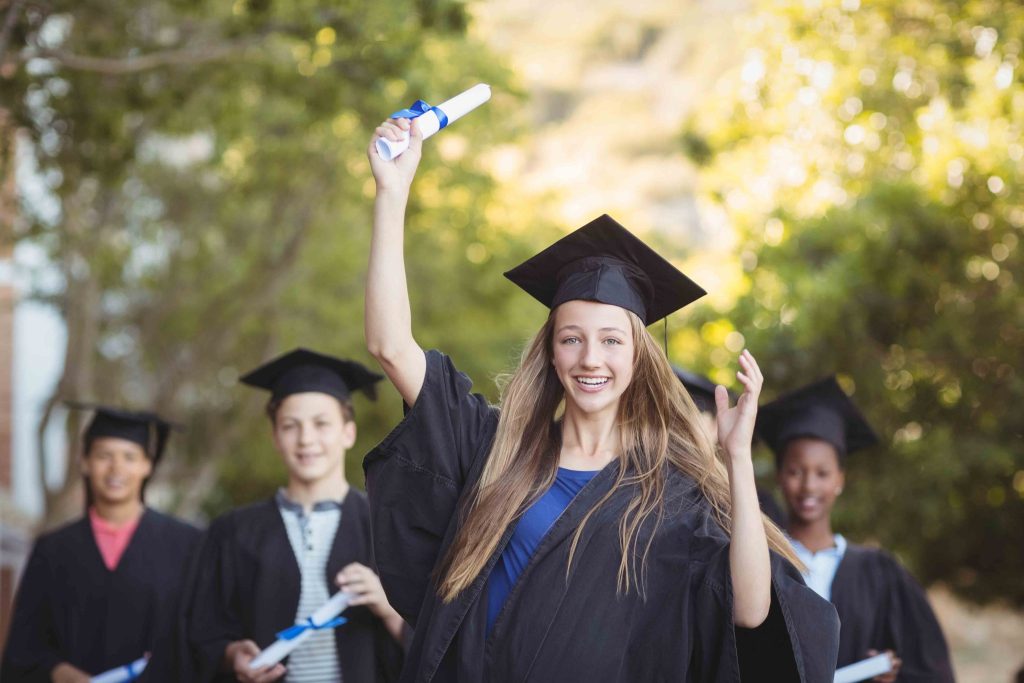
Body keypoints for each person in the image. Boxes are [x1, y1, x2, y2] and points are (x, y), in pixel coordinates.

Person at [361, 117, 840, 682]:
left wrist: (734, 459)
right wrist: (392, 195)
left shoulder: (671, 494)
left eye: (611, 341)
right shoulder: (493, 449)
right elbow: (390, 345)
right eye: (572, 339)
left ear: (638, 357)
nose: (591, 358)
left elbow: (749, 610)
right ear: (551, 352)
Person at [187, 348, 405, 683]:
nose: (306, 440)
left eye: (321, 424)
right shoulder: (233, 533)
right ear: (275, 436)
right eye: (291, 426)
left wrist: (386, 606)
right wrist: (233, 656)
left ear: (348, 432)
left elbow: (441, 639)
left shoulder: (387, 526)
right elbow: (204, 632)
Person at [758, 376, 956, 682]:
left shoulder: (880, 574)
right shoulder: (762, 561)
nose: (809, 485)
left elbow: (929, 670)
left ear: (840, 479)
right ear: (780, 477)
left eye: (822, 473)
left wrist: (889, 676)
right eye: (795, 471)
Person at [1, 404, 201, 683]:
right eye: (104, 455)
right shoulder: (53, 550)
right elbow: (23, 650)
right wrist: (60, 672)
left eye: (130, 457)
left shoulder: (187, 545)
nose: (116, 468)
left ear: (147, 465)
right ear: (84, 462)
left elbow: (201, 639)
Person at [675, 367, 786, 526]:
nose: (680, 431)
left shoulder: (755, 500)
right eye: (674, 421)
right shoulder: (654, 490)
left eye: (692, 420)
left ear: (716, 426)